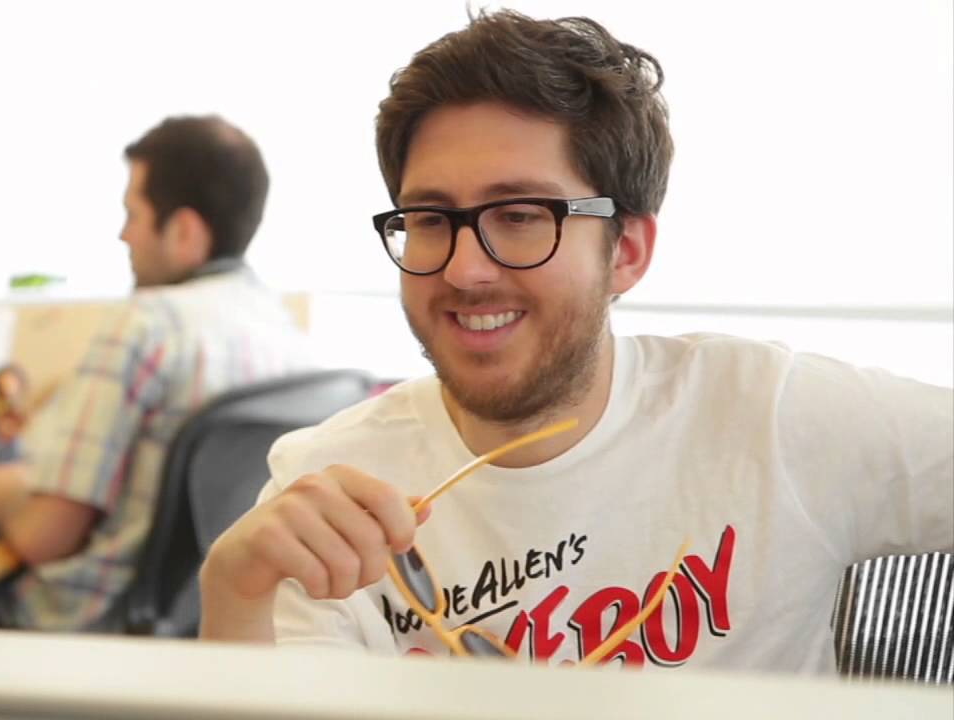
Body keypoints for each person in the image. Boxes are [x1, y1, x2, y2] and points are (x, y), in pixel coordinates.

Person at [198, 10, 953, 674]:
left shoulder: (767, 418)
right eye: (430, 219)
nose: (464, 270)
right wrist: (234, 594)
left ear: (627, 251)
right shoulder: (330, 490)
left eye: (520, 216)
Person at [0, 115, 310, 632]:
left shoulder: (147, 324)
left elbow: (45, 536)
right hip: (192, 627)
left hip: (82, 632)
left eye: (133, 214)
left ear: (184, 231)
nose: (124, 235)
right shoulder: (283, 330)